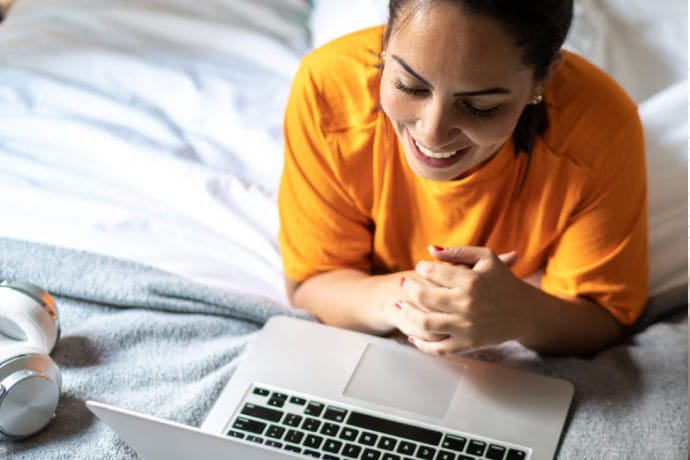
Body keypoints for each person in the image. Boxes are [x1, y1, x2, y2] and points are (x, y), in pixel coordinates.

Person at [278, 0, 647, 356]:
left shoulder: (603, 129)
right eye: (410, 86)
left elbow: (604, 316)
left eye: (480, 106)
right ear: (385, 43)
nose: (433, 134)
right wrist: (412, 298)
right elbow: (311, 285)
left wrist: (523, 313)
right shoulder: (327, 90)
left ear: (542, 81)